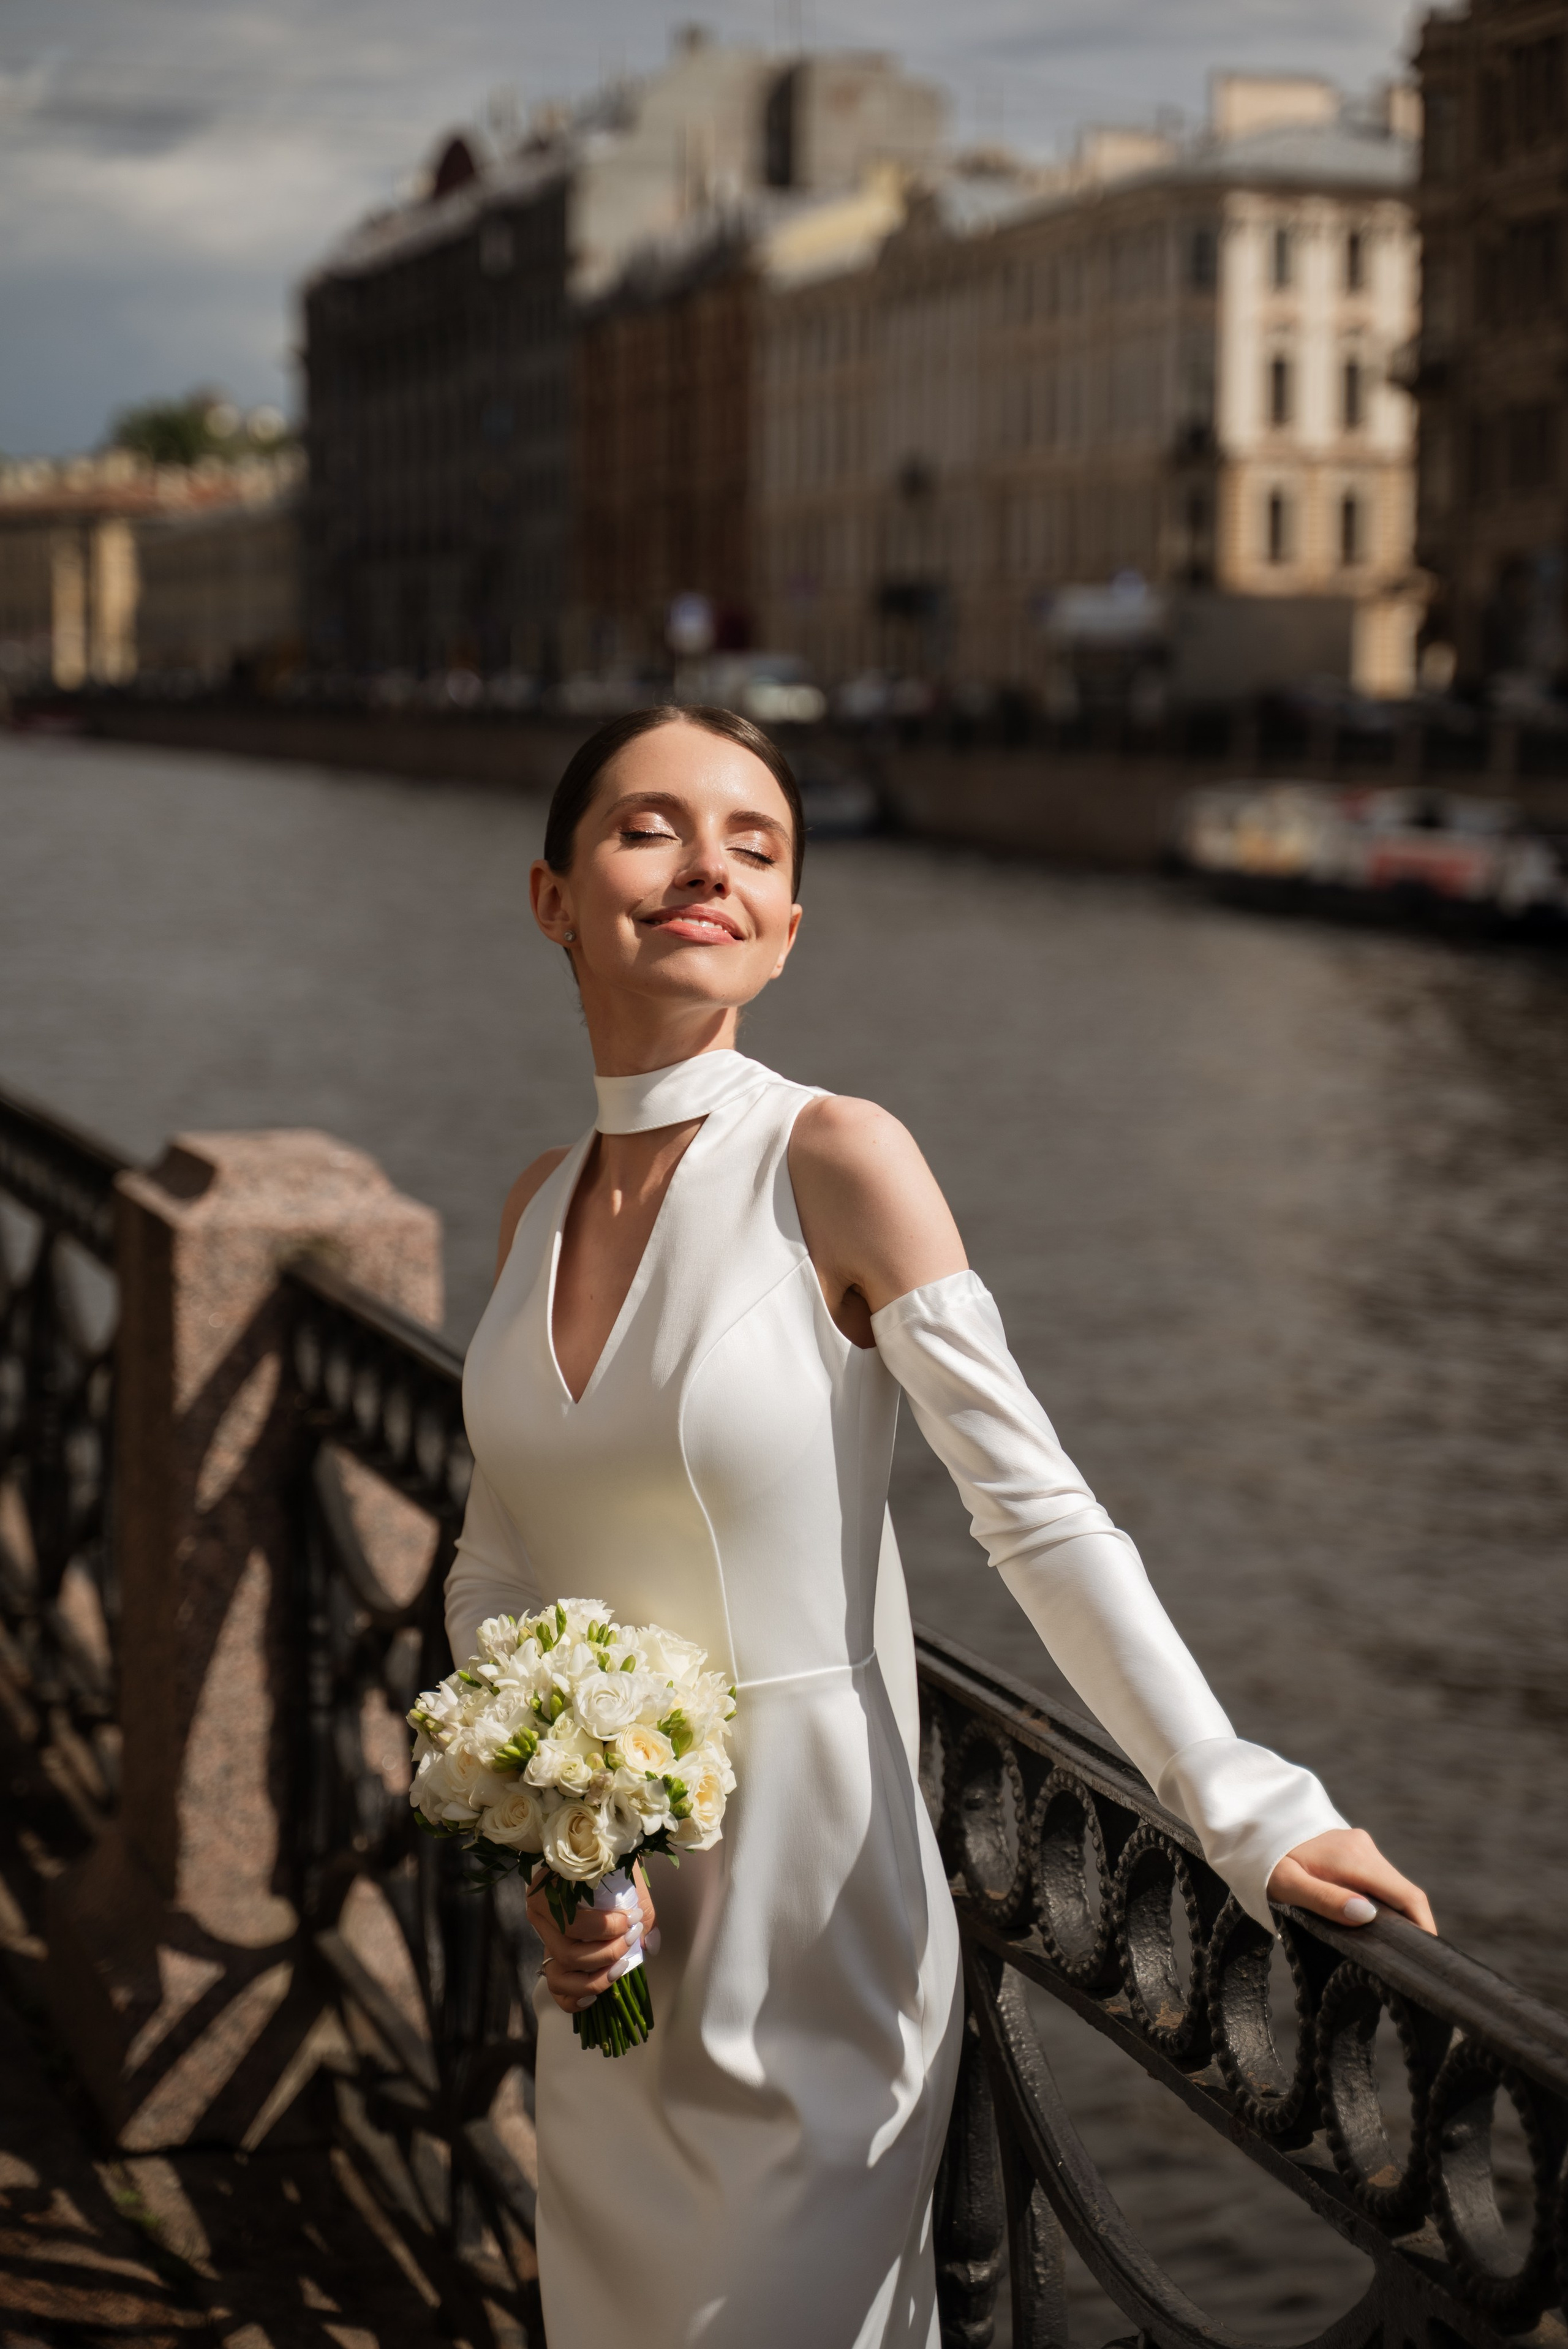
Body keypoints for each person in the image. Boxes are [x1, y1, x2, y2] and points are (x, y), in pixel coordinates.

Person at [445, 705, 1434, 2349]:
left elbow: (1031, 1506)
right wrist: (559, 1820)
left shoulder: (836, 1155)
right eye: (651, 829)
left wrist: (1245, 1806)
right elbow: (498, 1563)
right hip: (623, 1952)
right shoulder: (531, 1206)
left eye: (756, 845)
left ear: (786, 930)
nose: (708, 866)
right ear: (553, 897)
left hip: (812, 1917)